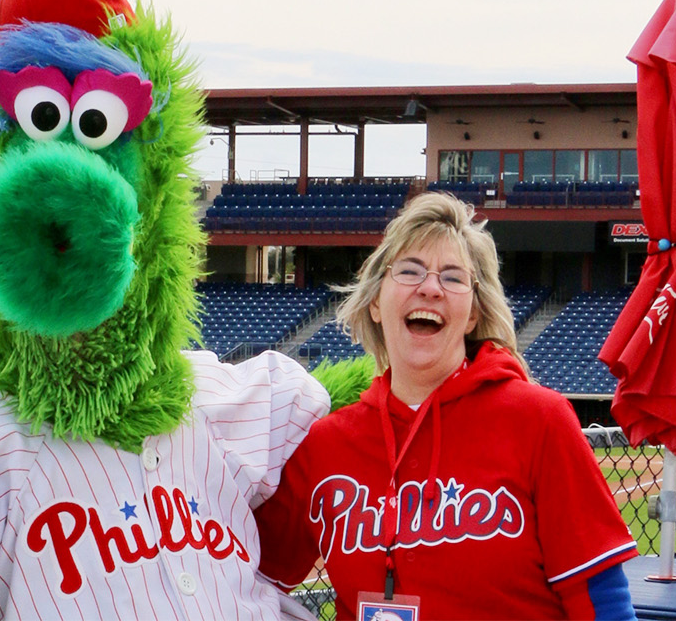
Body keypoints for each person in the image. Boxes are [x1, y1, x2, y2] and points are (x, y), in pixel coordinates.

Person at [255, 192, 638, 620]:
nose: (431, 288)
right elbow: (247, 578)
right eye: (410, 271)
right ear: (377, 302)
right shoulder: (324, 446)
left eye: (453, 278)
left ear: (472, 314)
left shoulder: (538, 419)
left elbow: (601, 598)